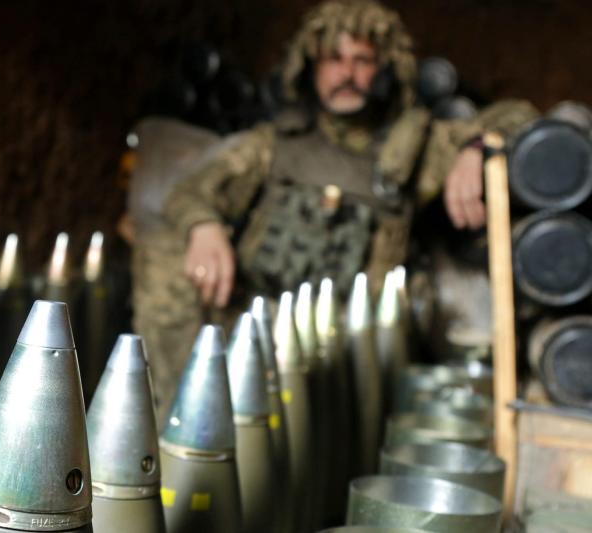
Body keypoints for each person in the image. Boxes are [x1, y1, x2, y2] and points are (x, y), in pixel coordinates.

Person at [135, 0, 537, 423]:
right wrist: (204, 227)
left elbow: (520, 116)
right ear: (310, 66)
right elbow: (192, 191)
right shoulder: (276, 142)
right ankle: (178, 426)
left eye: (362, 60)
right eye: (334, 59)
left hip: (349, 327)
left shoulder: (413, 145)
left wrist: (476, 149)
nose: (347, 74)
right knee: (163, 256)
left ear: (385, 68)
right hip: (258, 305)